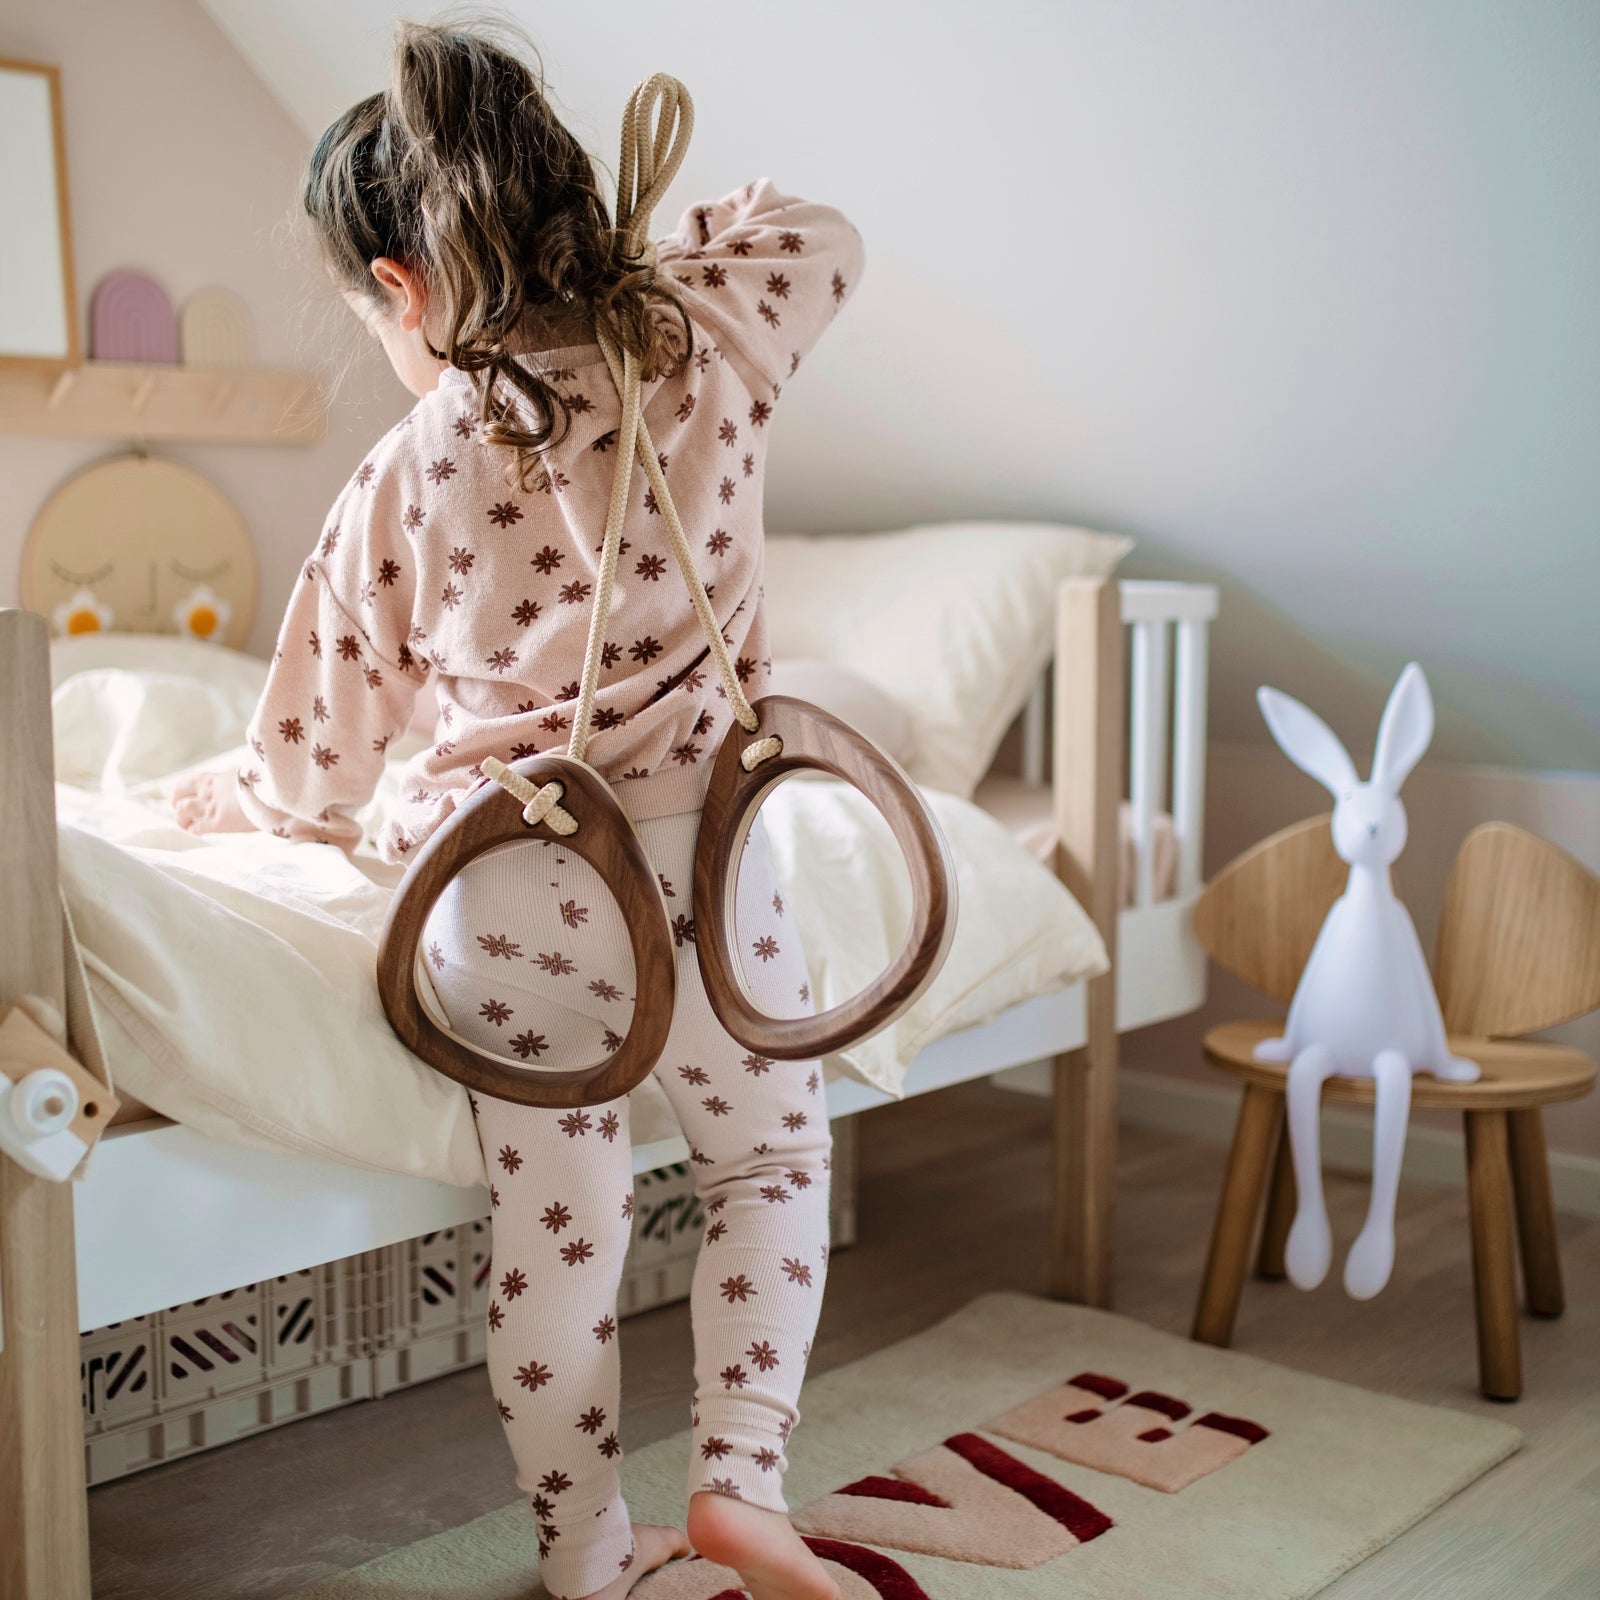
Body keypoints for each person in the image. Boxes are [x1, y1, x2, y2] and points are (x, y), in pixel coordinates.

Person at [173, 19, 862, 1600]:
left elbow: (314, 764)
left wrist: (232, 792)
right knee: (769, 1167)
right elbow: (826, 235)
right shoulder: (707, 339)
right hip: (718, 858)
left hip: (521, 896)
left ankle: (584, 1552)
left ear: (400, 293)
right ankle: (745, 1475)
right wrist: (642, 263)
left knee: (562, 1239)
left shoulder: (412, 464)